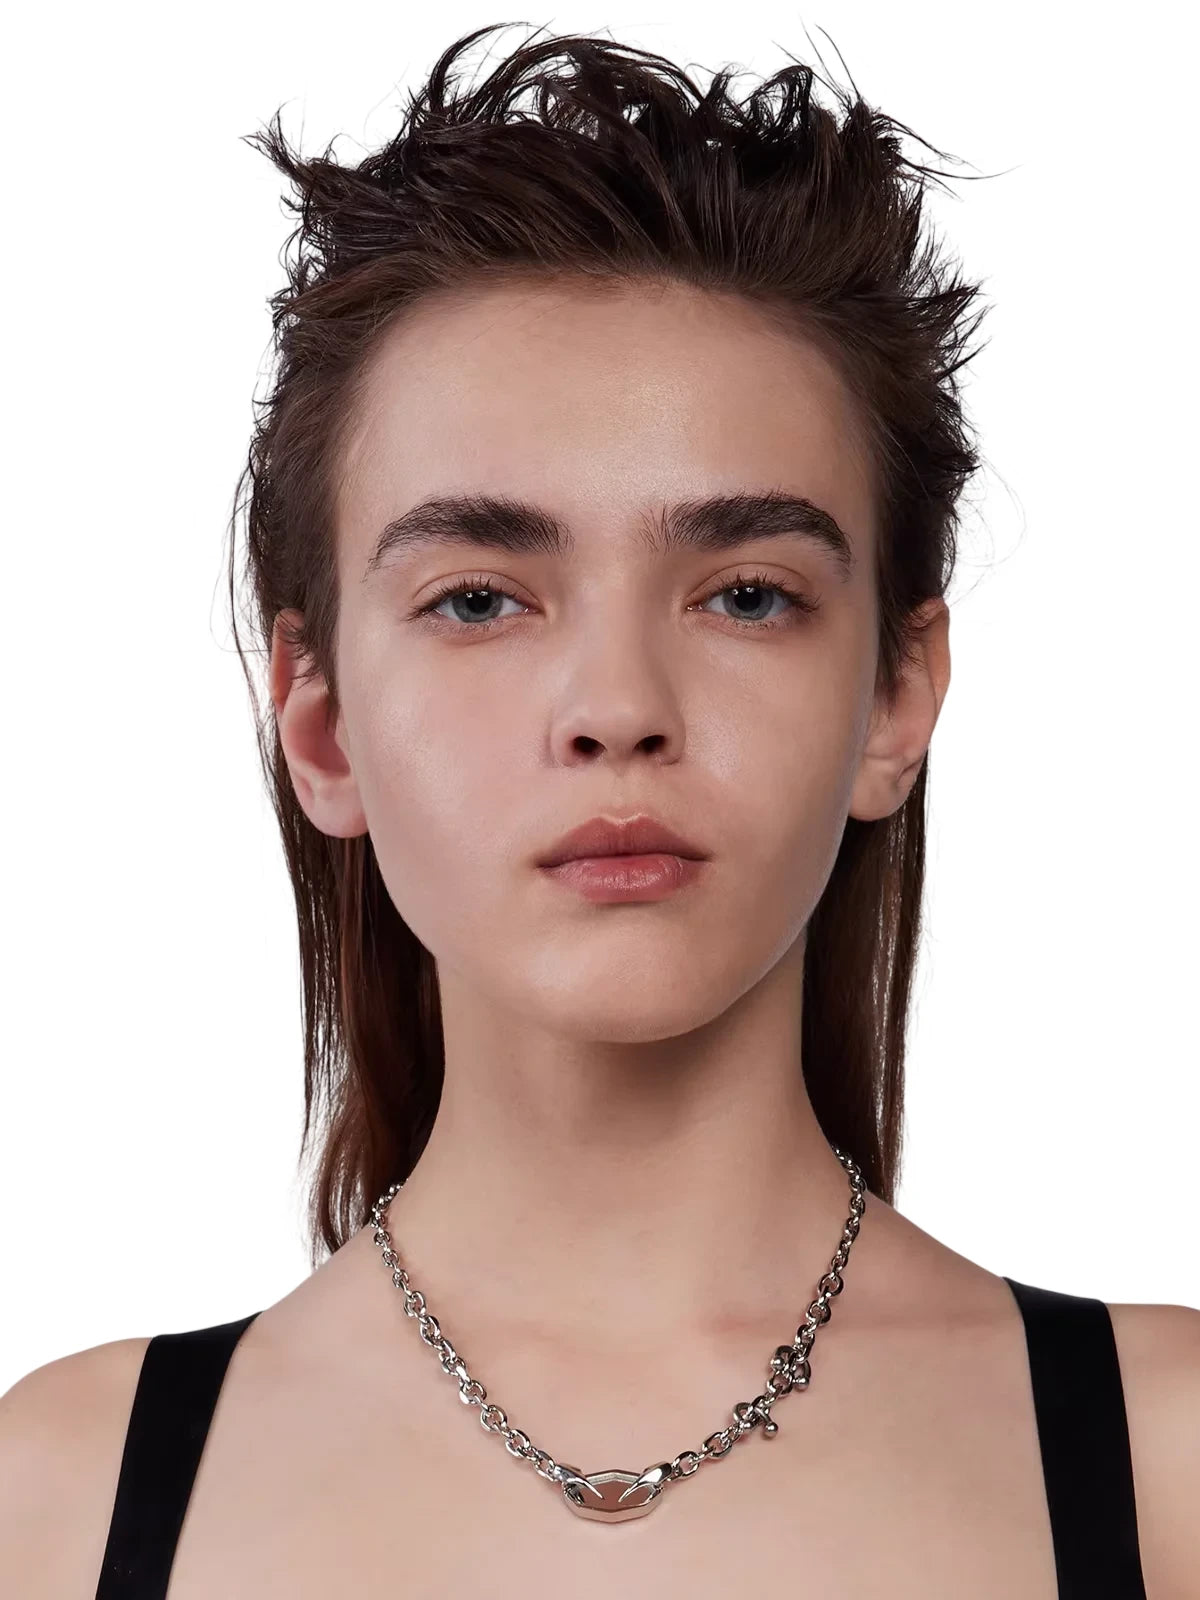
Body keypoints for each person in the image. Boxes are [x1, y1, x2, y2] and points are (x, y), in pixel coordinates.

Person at [1, 21, 1196, 1598]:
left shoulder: (1168, 1460)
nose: (618, 706)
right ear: (321, 721)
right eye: (481, 599)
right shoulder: (59, 1503)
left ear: (896, 697)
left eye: (748, 594)